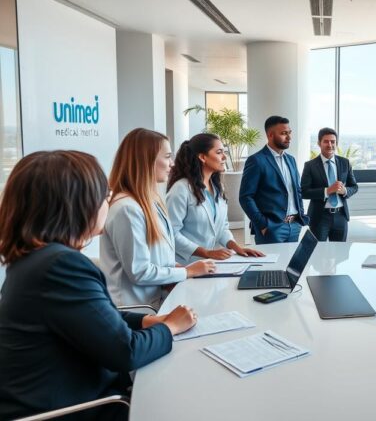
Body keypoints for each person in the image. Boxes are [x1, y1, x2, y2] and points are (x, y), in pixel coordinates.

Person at [0, 150, 197, 420]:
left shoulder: (32, 259)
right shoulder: (60, 265)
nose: (109, 200)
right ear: (78, 203)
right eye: (105, 194)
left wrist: (146, 322)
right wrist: (170, 326)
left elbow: (93, 317)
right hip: (81, 409)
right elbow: (125, 352)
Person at [101, 128, 215, 308]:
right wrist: (187, 271)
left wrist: (175, 268)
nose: (172, 164)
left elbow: (158, 254)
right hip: (137, 310)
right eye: (167, 156)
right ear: (146, 160)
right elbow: (140, 272)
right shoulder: (127, 209)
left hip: (156, 301)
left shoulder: (150, 200)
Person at [166, 133, 264, 265]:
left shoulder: (217, 187)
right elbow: (171, 233)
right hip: (186, 264)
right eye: (219, 152)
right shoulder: (181, 189)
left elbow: (222, 227)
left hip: (210, 264)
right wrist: (205, 252)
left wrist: (236, 247)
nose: (224, 157)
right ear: (202, 157)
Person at [240, 116, 309, 244]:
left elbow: (297, 191)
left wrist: (301, 216)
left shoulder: (291, 160)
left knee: (291, 264)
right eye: (283, 134)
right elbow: (245, 197)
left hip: (294, 226)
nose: (289, 137)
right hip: (272, 228)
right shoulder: (256, 160)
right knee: (273, 264)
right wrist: (262, 224)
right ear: (270, 135)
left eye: (289, 133)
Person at [300, 127, 359, 241]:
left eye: (333, 142)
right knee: (317, 253)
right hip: (319, 217)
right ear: (319, 143)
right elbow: (303, 192)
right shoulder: (310, 166)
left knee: (340, 255)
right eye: (326, 141)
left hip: (341, 216)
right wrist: (327, 191)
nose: (330, 144)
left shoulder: (345, 162)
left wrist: (345, 191)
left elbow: (354, 186)